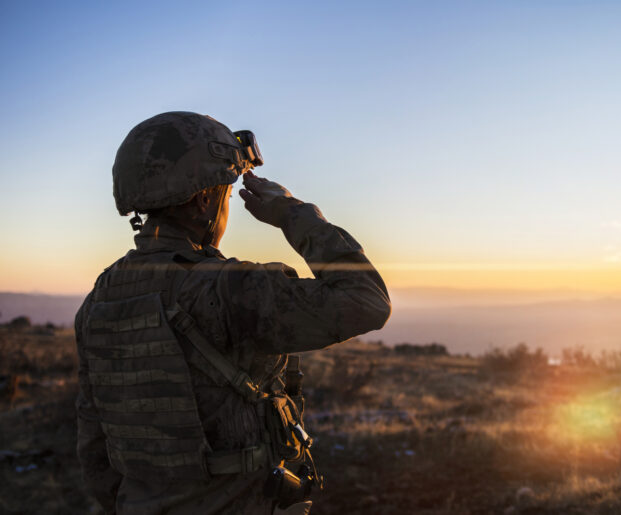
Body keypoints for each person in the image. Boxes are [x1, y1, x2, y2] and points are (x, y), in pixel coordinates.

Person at [75, 111, 391, 514]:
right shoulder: (230, 289)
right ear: (205, 200)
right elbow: (367, 300)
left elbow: (95, 451)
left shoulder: (98, 300)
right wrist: (291, 212)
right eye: (226, 195)